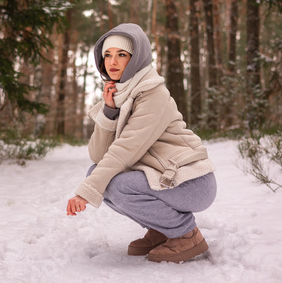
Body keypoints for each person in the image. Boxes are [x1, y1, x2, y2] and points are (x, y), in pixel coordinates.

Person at [66, 23, 217, 263]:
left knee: (115, 185)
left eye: (122, 54)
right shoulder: (123, 94)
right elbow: (98, 155)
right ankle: (163, 230)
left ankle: (186, 235)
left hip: (191, 182)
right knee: (96, 173)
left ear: (137, 59)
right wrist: (109, 112)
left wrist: (85, 192)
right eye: (107, 54)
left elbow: (124, 151)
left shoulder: (153, 94)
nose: (112, 61)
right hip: (164, 179)